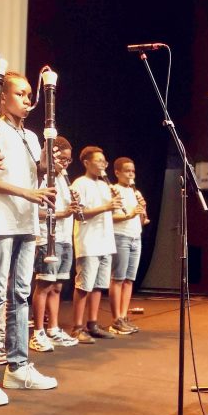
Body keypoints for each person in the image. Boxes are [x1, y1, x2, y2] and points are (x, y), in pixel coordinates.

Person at [0, 71, 58, 407]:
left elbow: (39, 174)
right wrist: (28, 193)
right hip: (2, 221)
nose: (27, 100)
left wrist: (47, 158)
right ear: (2, 98)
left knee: (20, 293)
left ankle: (18, 367)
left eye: (30, 94)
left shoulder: (31, 136)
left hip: (26, 221)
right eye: (20, 94)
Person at [30, 136, 80, 351]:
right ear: (53, 156)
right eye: (62, 159)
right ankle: (38, 332)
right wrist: (63, 213)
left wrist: (75, 207)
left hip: (65, 238)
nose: (66, 164)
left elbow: (68, 210)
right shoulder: (42, 178)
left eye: (69, 160)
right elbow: (35, 212)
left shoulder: (64, 179)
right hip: (47, 238)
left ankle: (53, 328)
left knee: (57, 286)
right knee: (44, 285)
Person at [69, 146, 120, 343]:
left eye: (104, 161)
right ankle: (77, 327)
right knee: (84, 286)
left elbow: (111, 212)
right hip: (89, 241)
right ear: (86, 163)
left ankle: (92, 324)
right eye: (99, 161)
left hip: (106, 241)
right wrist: (106, 207)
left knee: (99, 285)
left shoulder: (105, 185)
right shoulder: (79, 184)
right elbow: (78, 214)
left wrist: (115, 203)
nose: (102, 165)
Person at [108, 157, 149, 335]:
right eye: (127, 171)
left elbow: (142, 221)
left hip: (135, 237)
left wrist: (143, 210)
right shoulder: (113, 190)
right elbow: (110, 217)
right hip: (120, 236)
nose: (131, 174)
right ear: (117, 172)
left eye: (133, 171)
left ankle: (124, 316)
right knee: (118, 278)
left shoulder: (135, 192)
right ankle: (116, 319)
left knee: (129, 279)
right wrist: (130, 214)